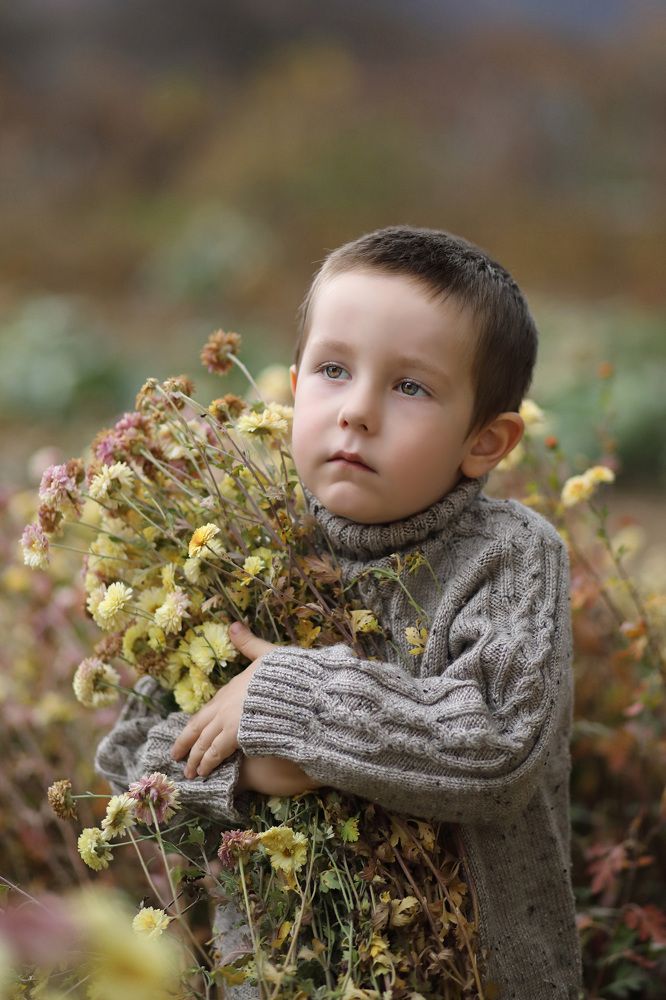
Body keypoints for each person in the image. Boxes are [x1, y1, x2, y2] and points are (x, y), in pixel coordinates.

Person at [96, 225, 582, 998]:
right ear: (291, 386)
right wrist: (255, 771)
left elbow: (498, 744)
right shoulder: (235, 550)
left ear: (486, 440)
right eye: (332, 370)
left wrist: (292, 700)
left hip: (470, 976)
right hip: (281, 976)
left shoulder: (510, 556)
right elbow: (132, 767)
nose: (357, 411)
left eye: (411, 386)